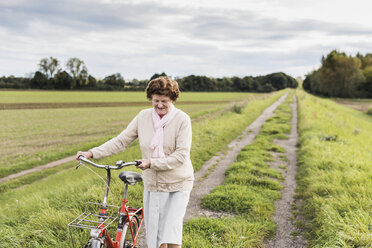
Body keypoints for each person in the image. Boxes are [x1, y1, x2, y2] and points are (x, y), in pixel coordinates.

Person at [76, 76, 194, 248]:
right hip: (153, 184)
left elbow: (181, 156)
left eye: (164, 101)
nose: (159, 105)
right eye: (156, 101)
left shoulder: (182, 120)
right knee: (155, 236)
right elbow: (121, 141)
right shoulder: (143, 117)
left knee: (170, 232)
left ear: (173, 100)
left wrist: (151, 163)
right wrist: (91, 153)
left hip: (178, 184)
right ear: (150, 99)